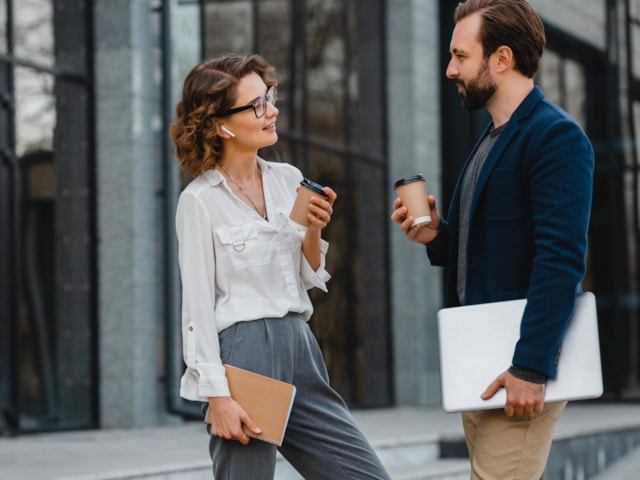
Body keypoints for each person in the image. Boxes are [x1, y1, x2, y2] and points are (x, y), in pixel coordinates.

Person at [391, 0, 594, 478]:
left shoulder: (555, 137)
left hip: (517, 367)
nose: (449, 70)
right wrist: (437, 236)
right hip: (480, 364)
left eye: (461, 56)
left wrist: (530, 367)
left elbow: (561, 260)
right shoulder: (490, 139)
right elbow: (488, 247)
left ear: (500, 59)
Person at [170, 54, 390, 480]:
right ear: (220, 124)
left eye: (269, 97)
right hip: (246, 352)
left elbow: (307, 275)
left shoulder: (288, 178)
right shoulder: (199, 201)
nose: (271, 110)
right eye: (256, 105)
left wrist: (312, 230)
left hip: (300, 346)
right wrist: (216, 396)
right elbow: (195, 308)